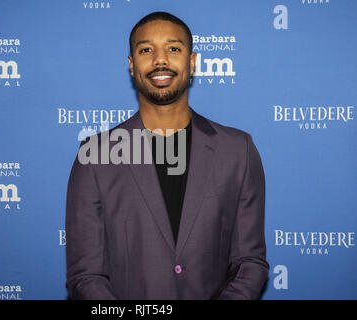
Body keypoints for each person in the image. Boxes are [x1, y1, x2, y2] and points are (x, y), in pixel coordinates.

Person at [65, 11, 269, 300]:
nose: (160, 60)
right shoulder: (95, 157)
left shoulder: (238, 151)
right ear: (132, 65)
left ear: (192, 61)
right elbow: (86, 277)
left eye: (173, 49)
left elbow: (250, 263)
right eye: (146, 50)